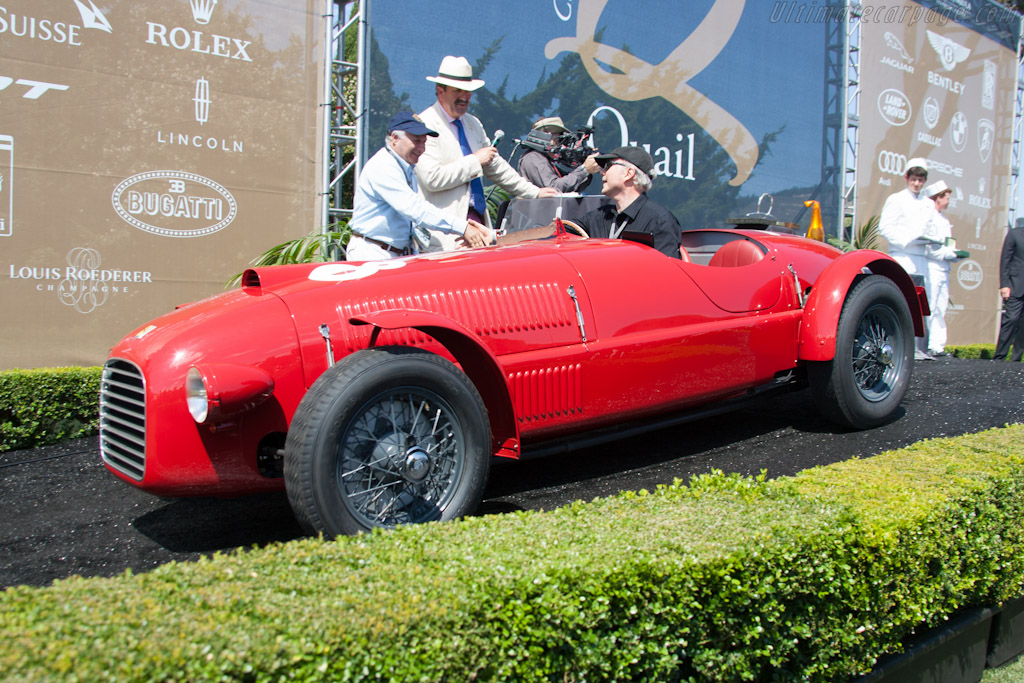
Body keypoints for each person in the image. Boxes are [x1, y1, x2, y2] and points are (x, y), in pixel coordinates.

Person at [416, 55, 558, 251]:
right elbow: (432, 179)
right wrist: (475, 161)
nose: (465, 96)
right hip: (443, 238)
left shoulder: (473, 124)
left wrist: (534, 192)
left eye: (468, 91)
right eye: (458, 90)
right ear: (440, 91)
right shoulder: (425, 124)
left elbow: (495, 166)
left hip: (478, 229)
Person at [346, 111, 491, 261]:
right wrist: (463, 228)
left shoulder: (407, 167)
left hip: (393, 253)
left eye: (424, 142)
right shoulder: (383, 166)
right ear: (394, 138)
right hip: (373, 253)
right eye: (416, 140)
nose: (422, 148)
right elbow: (416, 210)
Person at [574, 146, 682, 259]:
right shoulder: (599, 216)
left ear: (629, 173)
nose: (602, 172)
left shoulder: (659, 221)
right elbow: (562, 230)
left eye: (608, 166)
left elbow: (667, 272)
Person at [878, 157, 934, 359]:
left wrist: (931, 240)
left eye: (921, 179)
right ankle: (899, 348)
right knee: (902, 303)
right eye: (914, 179)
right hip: (902, 257)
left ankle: (920, 349)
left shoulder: (928, 204)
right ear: (906, 178)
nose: (917, 183)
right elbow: (885, 227)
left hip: (921, 260)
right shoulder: (897, 199)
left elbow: (931, 229)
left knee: (921, 306)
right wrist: (908, 240)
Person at [921, 180, 961, 357]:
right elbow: (928, 247)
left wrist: (953, 254)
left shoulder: (945, 220)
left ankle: (938, 346)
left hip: (944, 269)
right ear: (938, 198)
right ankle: (926, 344)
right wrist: (946, 254)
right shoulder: (928, 218)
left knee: (941, 308)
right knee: (930, 306)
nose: (949, 201)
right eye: (947, 197)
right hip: (932, 268)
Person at [517, 116, 600, 193]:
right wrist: (584, 170)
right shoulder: (533, 157)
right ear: (548, 135)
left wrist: (585, 167)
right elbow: (553, 188)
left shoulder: (545, 160)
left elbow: (572, 186)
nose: (561, 142)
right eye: (559, 135)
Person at [994, 218, 1024, 361]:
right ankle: (1000, 356)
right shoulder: (1015, 234)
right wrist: (1004, 284)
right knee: (1011, 319)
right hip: (1015, 285)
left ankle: (1016, 359)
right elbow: (1005, 259)